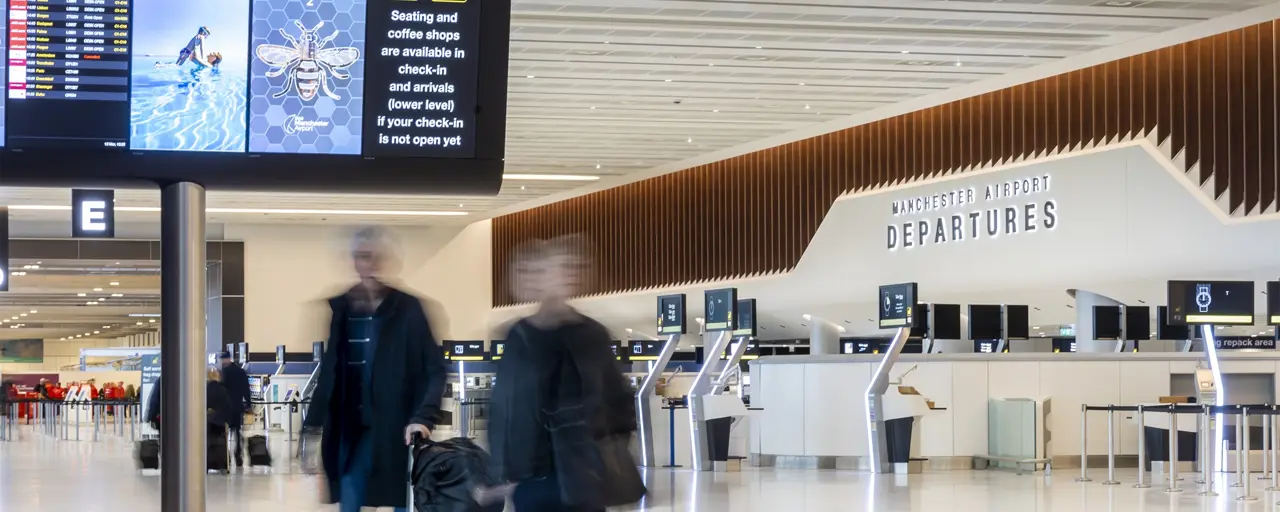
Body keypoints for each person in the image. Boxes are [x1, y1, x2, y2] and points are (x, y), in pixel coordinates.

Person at [487, 236, 642, 512]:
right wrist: (501, 474)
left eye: (576, 267)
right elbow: (505, 409)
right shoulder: (520, 336)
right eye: (560, 267)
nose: (568, 275)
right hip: (535, 476)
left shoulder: (591, 334)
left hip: (584, 474)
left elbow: (617, 401)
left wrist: (608, 455)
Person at [303, 227, 448, 512]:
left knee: (401, 498)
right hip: (351, 435)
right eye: (362, 256)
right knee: (351, 495)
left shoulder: (408, 310)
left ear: (387, 261)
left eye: (374, 257)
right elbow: (330, 373)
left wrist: (424, 417)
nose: (368, 264)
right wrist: (312, 426)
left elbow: (435, 368)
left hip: (398, 432)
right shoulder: (342, 310)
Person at [219, 350, 251, 467]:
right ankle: (238, 456)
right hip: (237, 407)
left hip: (226, 408)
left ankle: (225, 456)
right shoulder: (240, 371)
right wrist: (248, 404)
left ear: (226, 359)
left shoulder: (223, 373)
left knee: (225, 433)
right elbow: (246, 389)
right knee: (237, 432)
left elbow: (220, 391)